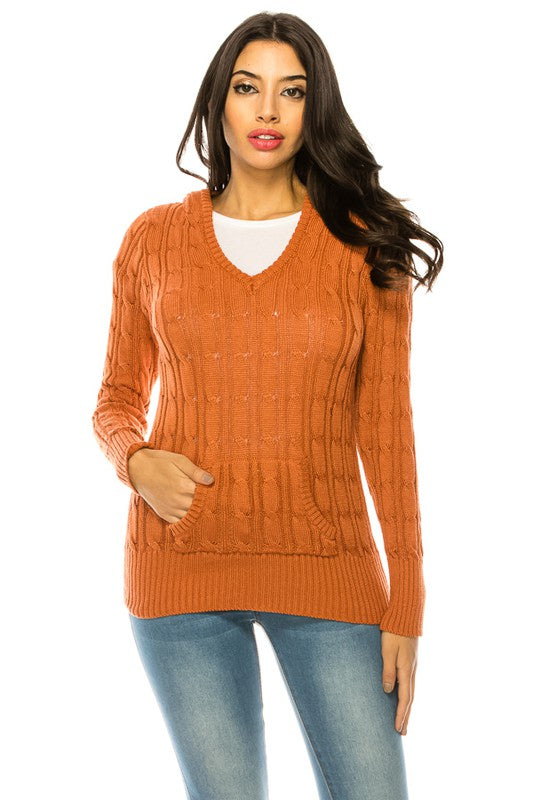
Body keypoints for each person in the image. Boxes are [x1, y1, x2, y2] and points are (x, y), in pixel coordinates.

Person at [91, 12, 443, 800]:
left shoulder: (364, 245)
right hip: (180, 567)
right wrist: (134, 460)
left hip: (329, 573)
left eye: (293, 91)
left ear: (315, 108)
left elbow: (387, 432)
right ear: (218, 100)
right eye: (248, 87)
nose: (268, 110)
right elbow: (114, 399)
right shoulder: (152, 239)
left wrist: (407, 604)